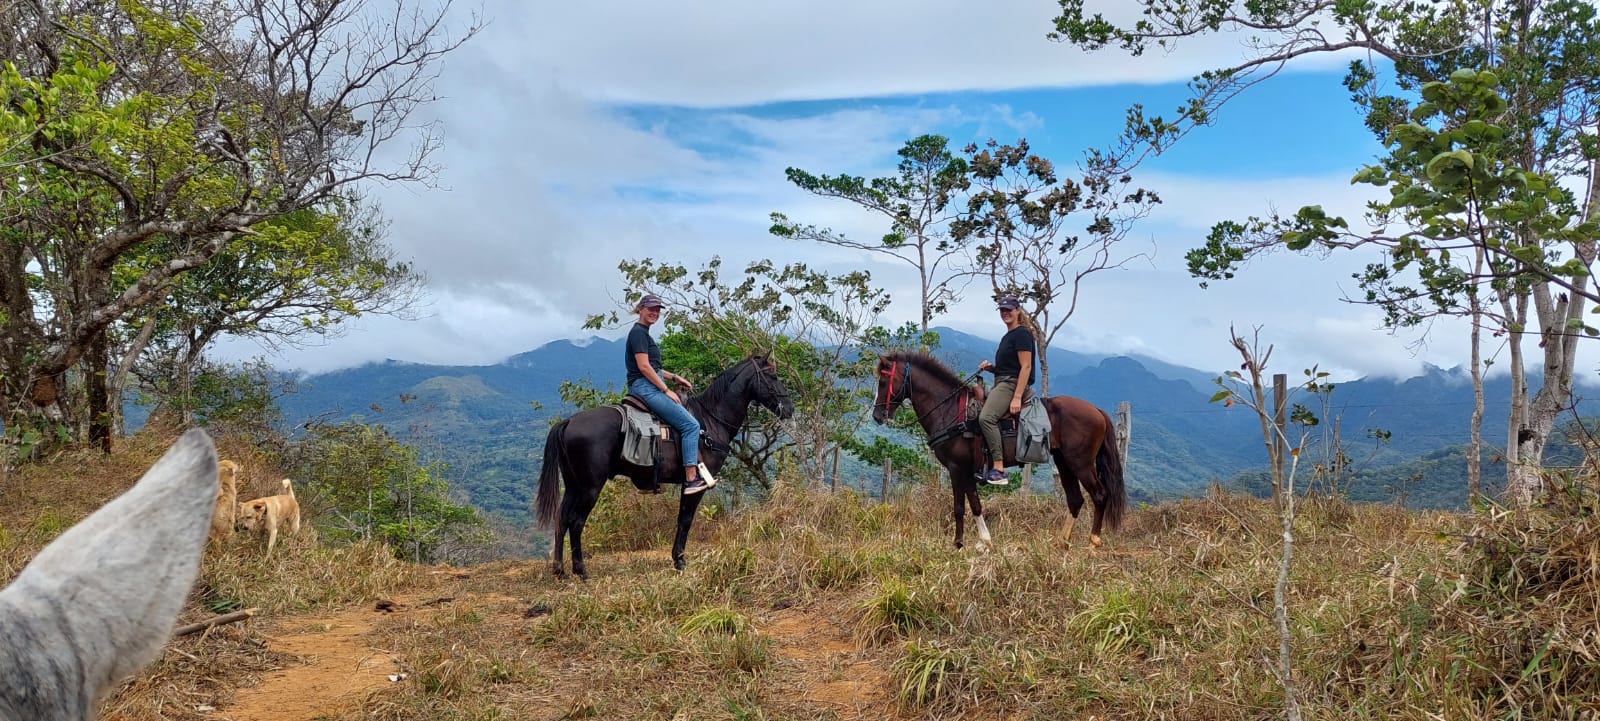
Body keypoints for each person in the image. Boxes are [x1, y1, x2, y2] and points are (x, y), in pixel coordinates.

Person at [626, 293, 712, 494]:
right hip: (646, 387)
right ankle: (691, 478)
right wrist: (666, 390)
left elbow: (653, 367)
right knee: (691, 425)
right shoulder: (638, 333)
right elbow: (644, 367)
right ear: (641, 309)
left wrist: (674, 378)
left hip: (648, 383)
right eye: (651, 308)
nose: (654, 312)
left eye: (657, 309)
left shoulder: (643, 333)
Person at [975, 295, 1035, 485]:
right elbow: (1009, 366)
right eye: (1002, 310)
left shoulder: (1022, 334)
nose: (1005, 313)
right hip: (1001, 381)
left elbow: (1026, 367)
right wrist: (991, 368)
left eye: (1009, 309)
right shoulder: (1008, 336)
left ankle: (999, 468)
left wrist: (1017, 397)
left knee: (986, 418)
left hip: (1011, 384)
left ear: (1018, 311)